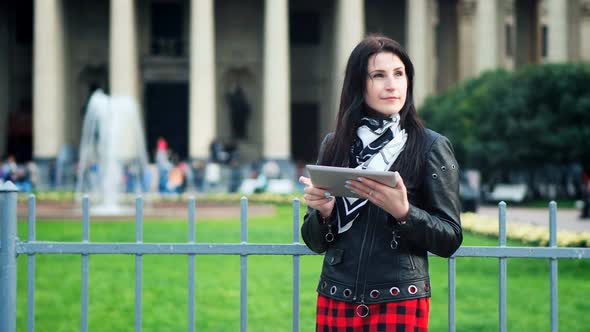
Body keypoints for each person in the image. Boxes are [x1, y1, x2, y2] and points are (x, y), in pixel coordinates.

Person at [299, 35, 462, 331]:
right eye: (379, 75)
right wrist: (322, 214)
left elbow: (450, 238)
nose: (392, 85)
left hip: (398, 299)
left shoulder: (430, 146)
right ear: (358, 85)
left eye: (399, 74)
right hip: (336, 294)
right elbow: (314, 242)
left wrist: (404, 213)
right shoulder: (334, 145)